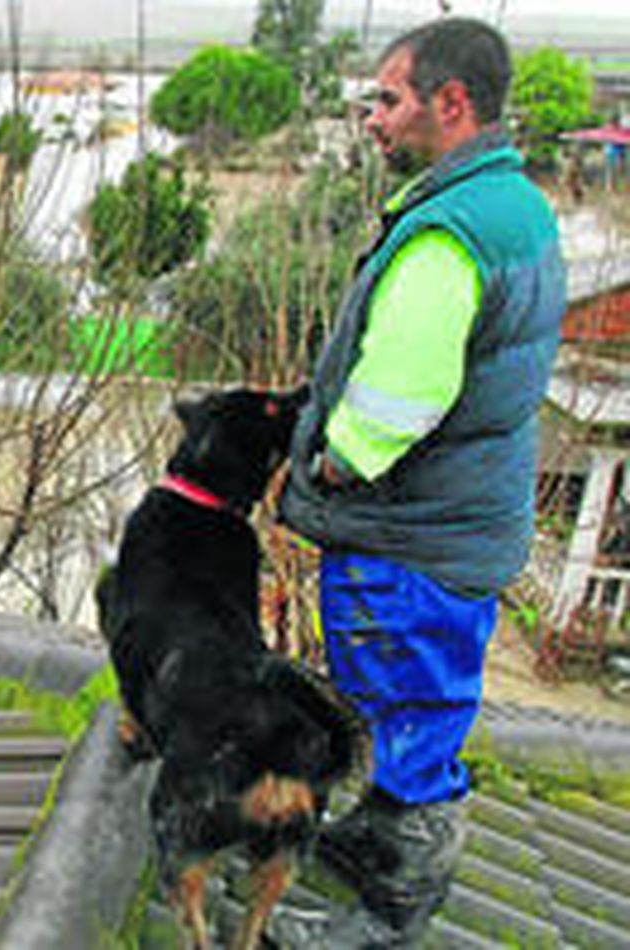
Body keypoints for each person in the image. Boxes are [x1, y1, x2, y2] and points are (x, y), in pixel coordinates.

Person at [272, 17, 565, 947]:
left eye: (388, 100)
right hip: (460, 521)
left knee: (407, 717)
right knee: (412, 706)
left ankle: (392, 911)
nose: (372, 118)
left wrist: (334, 461)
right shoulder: (513, 203)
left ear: (452, 102)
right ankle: (377, 834)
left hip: (412, 536)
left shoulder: (447, 236)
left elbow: (401, 396)